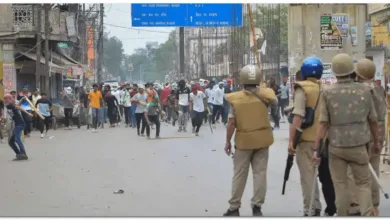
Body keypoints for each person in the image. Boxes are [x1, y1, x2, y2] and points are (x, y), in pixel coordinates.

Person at [313, 53, 380, 217]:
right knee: (364, 184)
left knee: (340, 185)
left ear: (335, 72)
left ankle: (342, 215)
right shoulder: (364, 90)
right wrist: (377, 142)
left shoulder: (327, 93)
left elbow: (323, 124)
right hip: (359, 146)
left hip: (336, 147)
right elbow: (373, 120)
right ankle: (367, 214)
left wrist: (316, 149)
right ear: (352, 70)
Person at [223, 65, 277, 216]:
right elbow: (274, 106)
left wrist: (227, 141)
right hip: (263, 140)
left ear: (242, 80)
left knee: (239, 174)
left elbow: (231, 123)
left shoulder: (235, 99)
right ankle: (257, 207)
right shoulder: (267, 95)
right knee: (260, 174)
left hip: (244, 142)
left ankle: (234, 207)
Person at [347, 58, 387, 215]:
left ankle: (357, 203)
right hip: (379, 133)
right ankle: (374, 203)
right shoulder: (379, 89)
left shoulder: (359, 90)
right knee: (374, 167)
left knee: (355, 170)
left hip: (365, 133)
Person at [288, 56, 323, 216]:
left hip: (306, 139)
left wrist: (291, 141)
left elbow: (298, 116)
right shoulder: (324, 88)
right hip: (323, 139)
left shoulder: (302, 88)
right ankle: (316, 205)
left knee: (307, 176)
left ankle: (310, 208)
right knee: (317, 175)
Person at [4, 94, 31, 161]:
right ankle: (19, 154)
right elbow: (18, 107)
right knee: (11, 141)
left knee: (17, 139)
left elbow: (17, 106)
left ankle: (23, 154)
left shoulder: (11, 105)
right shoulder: (11, 105)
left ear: (10, 99)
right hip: (18, 125)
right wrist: (28, 113)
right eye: (5, 99)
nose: (5, 100)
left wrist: (21, 100)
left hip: (20, 124)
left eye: (7, 99)